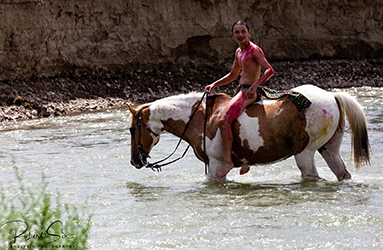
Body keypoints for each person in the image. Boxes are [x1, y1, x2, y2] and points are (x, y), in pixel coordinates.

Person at [205, 20, 274, 178]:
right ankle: (244, 158)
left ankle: (228, 160)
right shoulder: (238, 52)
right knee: (230, 120)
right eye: (237, 32)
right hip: (241, 90)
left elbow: (269, 70)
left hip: (248, 92)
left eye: (243, 31)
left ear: (249, 32)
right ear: (233, 35)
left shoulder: (254, 50)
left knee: (223, 121)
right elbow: (233, 75)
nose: (240, 35)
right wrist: (214, 84)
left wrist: (254, 86)